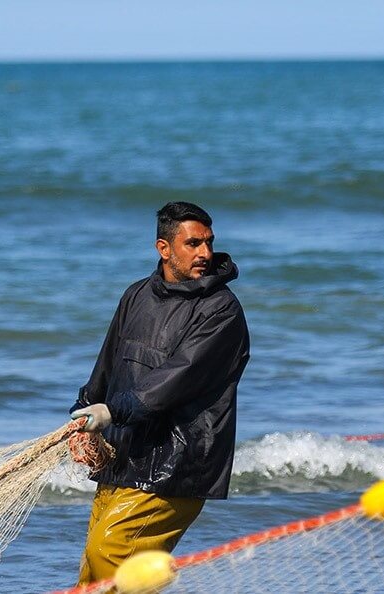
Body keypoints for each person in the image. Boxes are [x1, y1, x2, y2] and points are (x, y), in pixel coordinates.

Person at [69, 201, 251, 584]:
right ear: (163, 248)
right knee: (94, 568)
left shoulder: (221, 311)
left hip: (178, 464)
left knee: (111, 553)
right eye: (193, 244)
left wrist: (111, 413)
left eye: (208, 242)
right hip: (123, 455)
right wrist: (84, 409)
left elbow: (175, 378)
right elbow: (109, 362)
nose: (205, 253)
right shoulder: (136, 296)